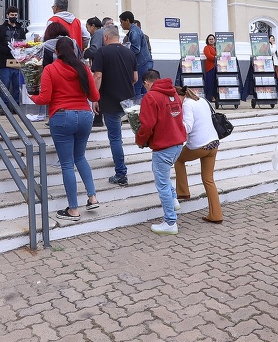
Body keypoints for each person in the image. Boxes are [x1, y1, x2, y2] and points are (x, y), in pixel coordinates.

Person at [30, 37, 101, 220]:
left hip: (62, 116)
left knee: (67, 164)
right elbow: (94, 95)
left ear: (56, 52)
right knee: (80, 157)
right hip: (85, 116)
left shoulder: (50, 69)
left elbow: (45, 98)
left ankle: (73, 209)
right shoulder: (83, 68)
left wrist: (32, 97)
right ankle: (92, 197)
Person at [136, 69, 187, 236]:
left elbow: (147, 125)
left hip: (163, 146)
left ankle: (170, 221)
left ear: (146, 83)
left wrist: (140, 140)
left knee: (162, 184)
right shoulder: (173, 93)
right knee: (165, 179)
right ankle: (173, 201)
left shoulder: (150, 97)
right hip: (177, 143)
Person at [92, 24, 137, 186]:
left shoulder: (102, 52)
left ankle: (121, 172)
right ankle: (119, 159)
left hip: (110, 100)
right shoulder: (129, 53)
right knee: (118, 137)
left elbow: (97, 76)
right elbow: (135, 78)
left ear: (105, 37)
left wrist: (94, 98)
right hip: (127, 101)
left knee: (115, 138)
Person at [173, 86, 222, 224]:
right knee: (208, 179)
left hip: (199, 146)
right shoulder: (201, 100)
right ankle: (216, 215)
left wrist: (174, 123)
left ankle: (182, 191)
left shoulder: (187, 105)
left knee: (177, 158)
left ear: (180, 96)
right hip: (213, 143)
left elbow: (187, 127)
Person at [0, 6, 26, 105]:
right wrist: (9, 50)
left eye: (15, 15)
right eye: (12, 15)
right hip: (5, 62)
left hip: (17, 62)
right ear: (7, 15)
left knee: (17, 86)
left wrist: (19, 51)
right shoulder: (1, 29)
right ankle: (4, 106)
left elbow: (24, 43)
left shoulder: (21, 29)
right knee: (5, 85)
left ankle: (16, 105)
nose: (14, 17)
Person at [120, 11, 153, 96]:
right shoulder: (135, 30)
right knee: (144, 88)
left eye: (121, 22)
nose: (121, 24)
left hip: (141, 63)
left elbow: (135, 49)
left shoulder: (134, 32)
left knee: (137, 89)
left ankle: (138, 108)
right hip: (145, 62)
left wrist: (125, 52)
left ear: (127, 20)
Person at [202, 33, 217, 101]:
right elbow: (209, 56)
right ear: (207, 40)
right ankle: (209, 97)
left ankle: (215, 96)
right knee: (210, 83)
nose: (211, 40)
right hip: (210, 67)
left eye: (212, 39)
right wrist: (216, 58)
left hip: (219, 67)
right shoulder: (206, 48)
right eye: (209, 39)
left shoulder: (217, 47)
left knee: (216, 82)